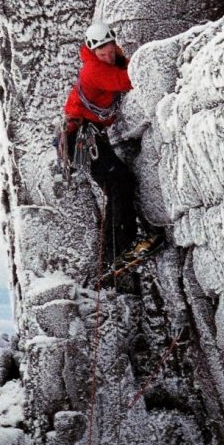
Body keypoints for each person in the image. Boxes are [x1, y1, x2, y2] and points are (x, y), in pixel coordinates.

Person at [60, 18, 156, 269]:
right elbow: (125, 81)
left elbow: (119, 72)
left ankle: (117, 252)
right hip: (79, 136)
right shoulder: (93, 69)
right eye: (102, 52)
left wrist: (121, 57)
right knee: (118, 182)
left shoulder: (103, 63)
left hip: (83, 136)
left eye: (111, 49)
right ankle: (118, 252)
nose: (108, 55)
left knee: (118, 184)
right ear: (93, 51)